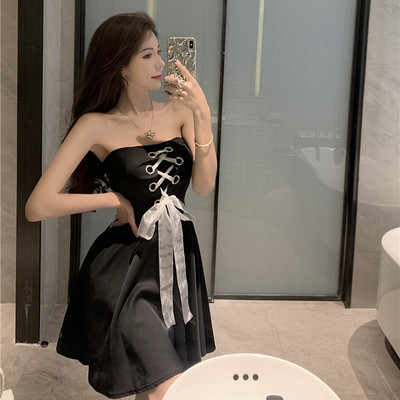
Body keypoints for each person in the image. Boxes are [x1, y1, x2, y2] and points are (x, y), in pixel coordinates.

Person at [25, 12, 217, 400]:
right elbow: (37, 205)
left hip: (177, 262)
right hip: (126, 269)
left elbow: (203, 185)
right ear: (121, 66)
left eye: (159, 52)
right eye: (147, 55)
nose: (160, 63)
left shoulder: (179, 112)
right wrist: (116, 199)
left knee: (154, 381)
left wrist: (203, 116)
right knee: (166, 387)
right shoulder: (96, 125)